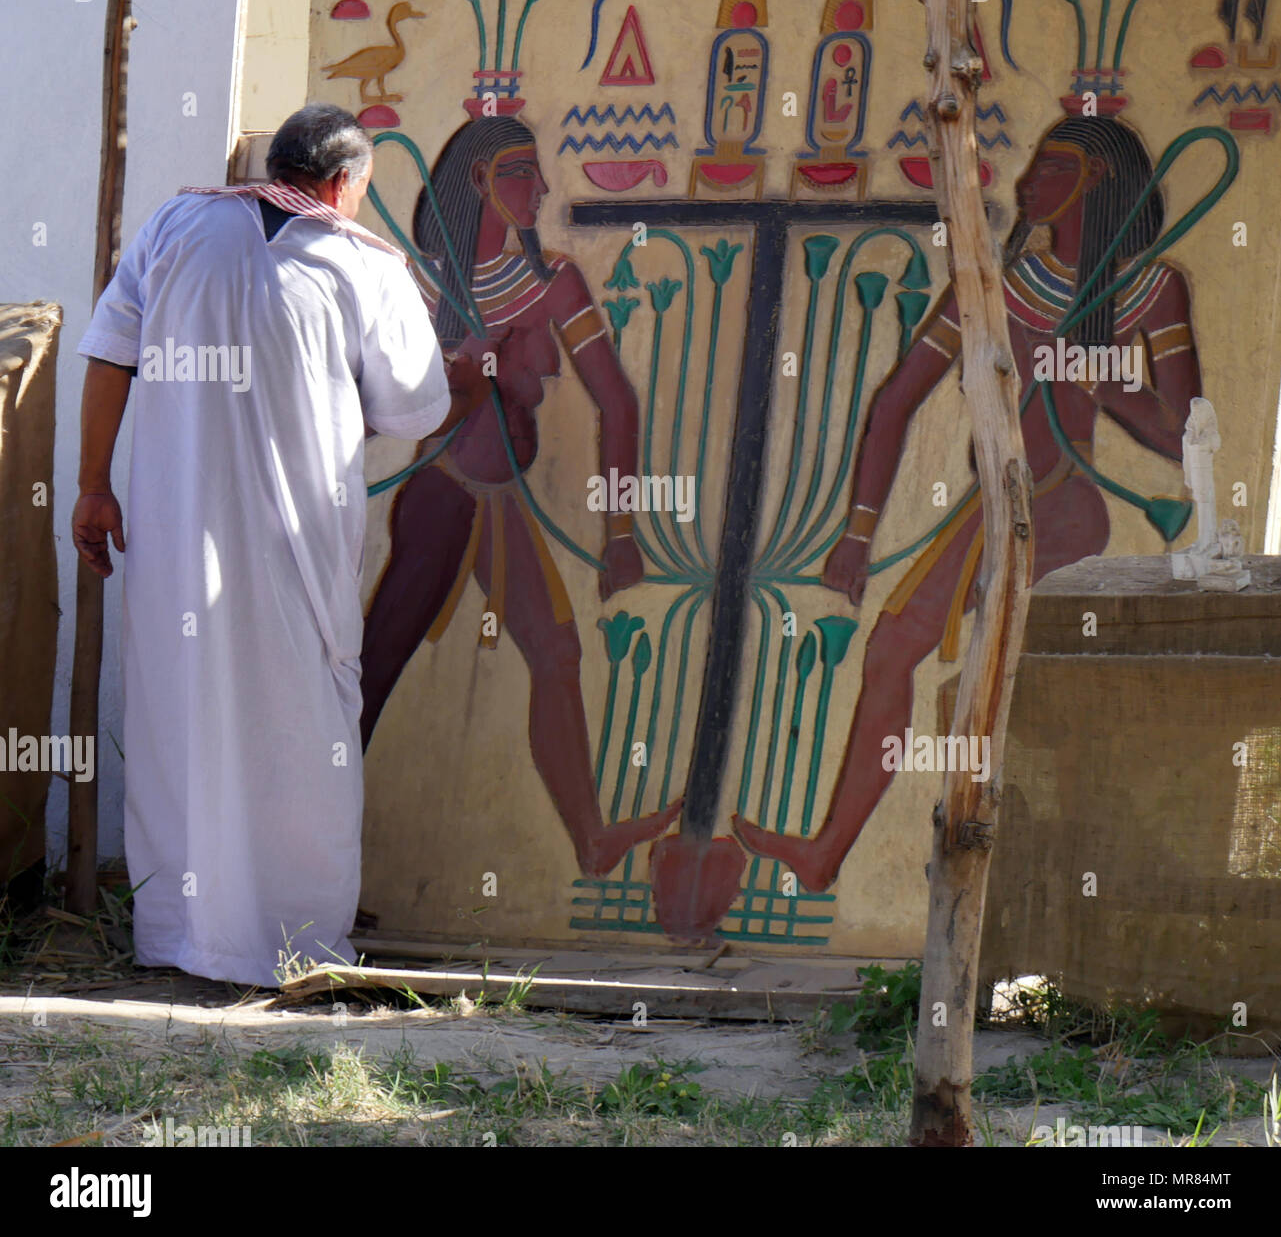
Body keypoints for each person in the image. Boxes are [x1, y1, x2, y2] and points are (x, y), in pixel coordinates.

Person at [72, 103, 488, 987]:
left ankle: (181, 938)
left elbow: (110, 353)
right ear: (344, 184)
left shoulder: (175, 223)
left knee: (182, 719)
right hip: (291, 552)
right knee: (301, 733)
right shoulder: (362, 265)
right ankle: (291, 947)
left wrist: (92, 485)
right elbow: (415, 411)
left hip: (174, 546)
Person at [734, 116, 1200, 892]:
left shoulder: (1151, 289)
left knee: (1032, 702)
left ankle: (1087, 862)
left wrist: (1110, 384)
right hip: (985, 513)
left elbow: (1188, 438)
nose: (1024, 184)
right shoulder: (994, 283)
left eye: (1049, 167)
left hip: (1063, 516)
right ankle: (828, 854)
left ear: (1094, 182)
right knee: (889, 654)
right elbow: (894, 403)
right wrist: (856, 534)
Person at [359, 116, 682, 874]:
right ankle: (312, 854)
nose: (538, 189)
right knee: (375, 666)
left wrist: (622, 532)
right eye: (519, 173)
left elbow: (617, 402)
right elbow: (379, 404)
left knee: (557, 651)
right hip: (442, 497)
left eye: (536, 175)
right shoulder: (414, 279)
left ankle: (590, 839)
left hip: (501, 503)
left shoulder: (552, 280)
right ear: (477, 183)